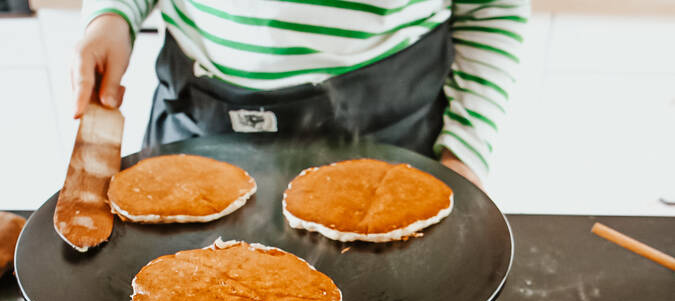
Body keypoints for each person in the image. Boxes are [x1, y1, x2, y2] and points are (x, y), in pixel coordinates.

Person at [73, 1, 530, 189]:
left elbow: (492, 10)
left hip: (389, 140)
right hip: (198, 118)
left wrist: (464, 152)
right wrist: (112, 16)